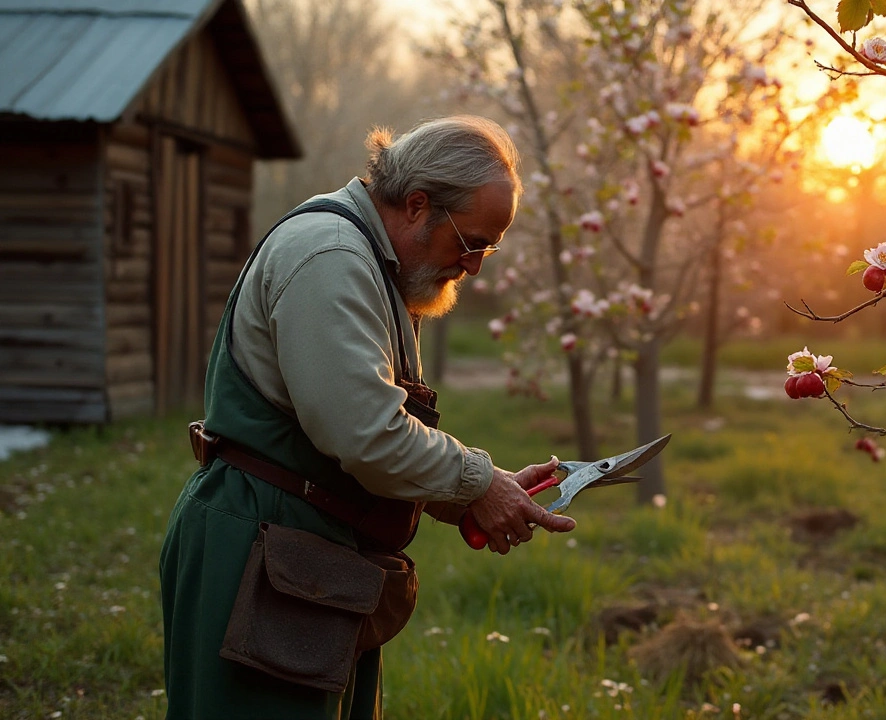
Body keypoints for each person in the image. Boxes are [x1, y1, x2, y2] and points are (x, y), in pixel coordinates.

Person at [159, 116, 574, 719]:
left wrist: (480, 494)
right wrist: (479, 482)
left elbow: (366, 430)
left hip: (301, 558)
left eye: (488, 247)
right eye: (472, 242)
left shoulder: (376, 266)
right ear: (416, 204)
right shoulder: (331, 258)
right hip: (257, 555)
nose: (476, 265)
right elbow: (366, 435)